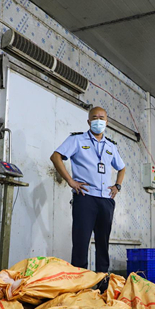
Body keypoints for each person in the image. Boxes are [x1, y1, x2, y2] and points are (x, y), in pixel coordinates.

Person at [50, 107, 126, 274]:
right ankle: (79, 282)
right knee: (81, 242)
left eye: (102, 118)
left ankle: (102, 281)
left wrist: (117, 186)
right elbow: (55, 157)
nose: (98, 121)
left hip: (106, 200)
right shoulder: (77, 140)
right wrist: (70, 181)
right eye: (95, 118)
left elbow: (122, 168)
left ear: (107, 122)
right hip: (85, 198)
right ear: (88, 121)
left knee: (103, 243)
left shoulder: (111, 146)